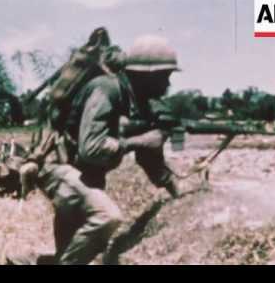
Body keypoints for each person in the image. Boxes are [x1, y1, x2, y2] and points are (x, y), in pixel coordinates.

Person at [19, 34, 182, 265]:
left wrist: (176, 189)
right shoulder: (107, 89)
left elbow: (149, 158)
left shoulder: (137, 102)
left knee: (71, 255)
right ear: (147, 75)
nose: (167, 84)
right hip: (58, 169)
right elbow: (91, 148)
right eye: (164, 76)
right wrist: (138, 141)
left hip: (82, 177)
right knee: (108, 217)